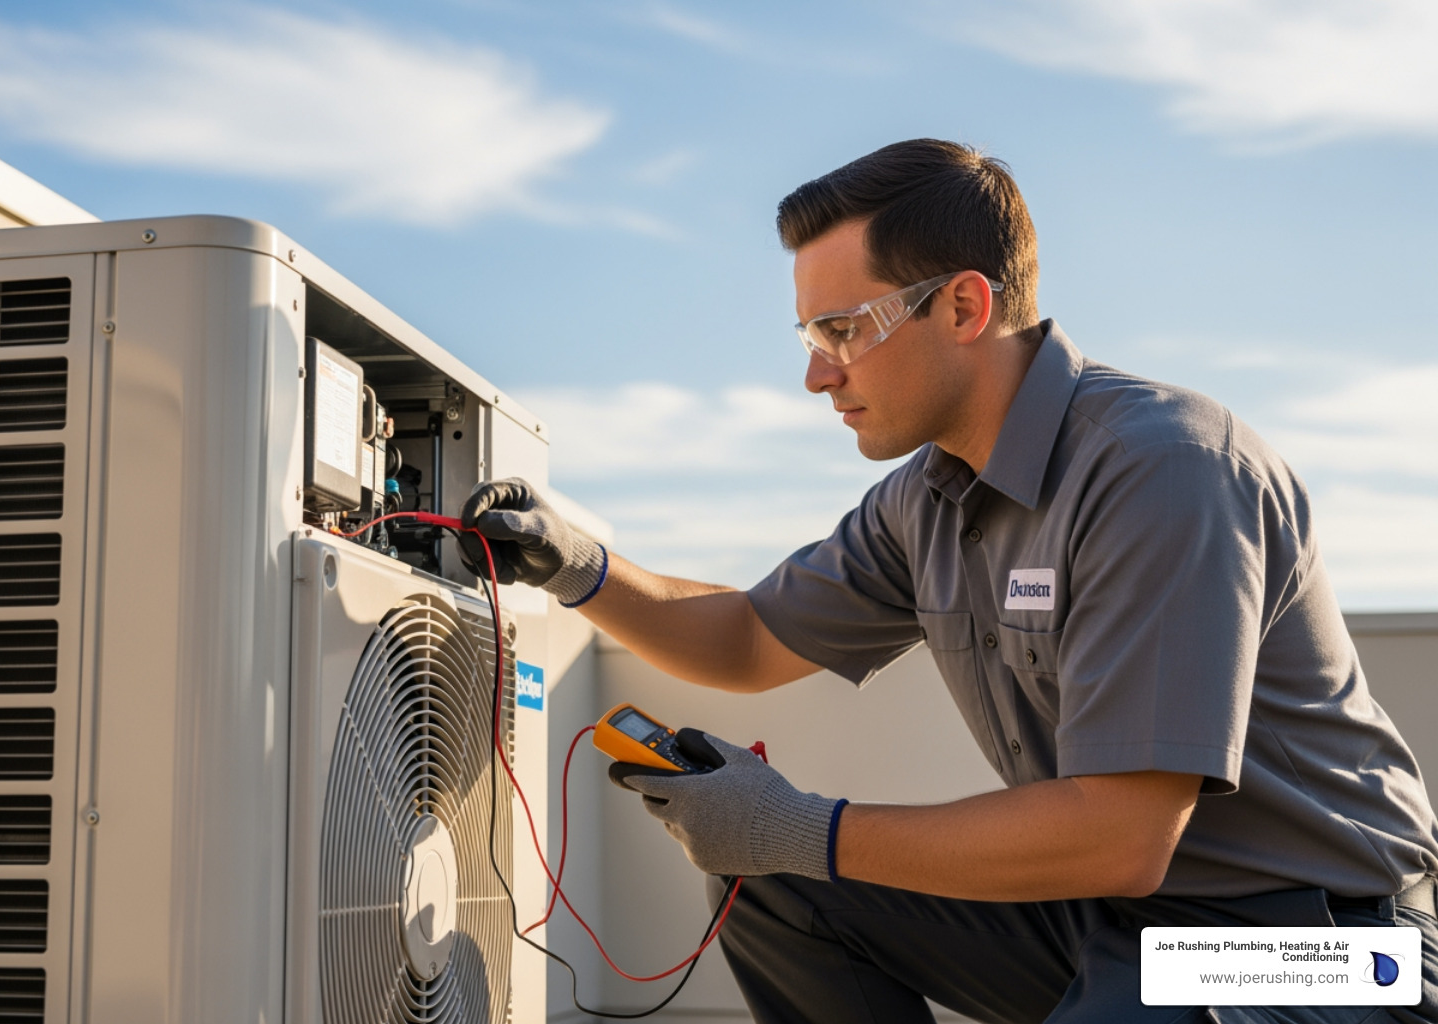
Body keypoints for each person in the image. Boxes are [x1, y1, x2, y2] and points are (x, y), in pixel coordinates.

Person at [460, 139, 1438, 1023]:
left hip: (1322, 950)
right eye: (809, 337)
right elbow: (750, 637)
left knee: (800, 849)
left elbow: (1121, 835)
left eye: (842, 330)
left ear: (964, 306)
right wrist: (577, 564)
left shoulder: (1162, 469)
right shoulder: (926, 502)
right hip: (1118, 922)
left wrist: (805, 826)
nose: (817, 374)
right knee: (770, 877)